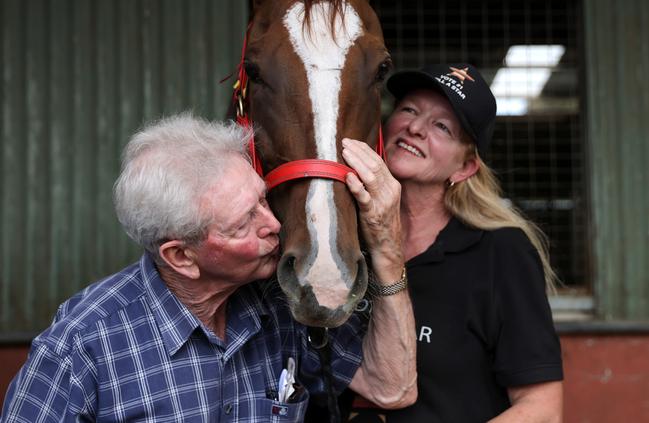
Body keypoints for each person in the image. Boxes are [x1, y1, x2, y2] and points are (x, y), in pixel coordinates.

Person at [1, 113, 416, 422]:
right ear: (182, 257)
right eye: (243, 224)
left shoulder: (279, 303)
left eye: (261, 200)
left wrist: (386, 246)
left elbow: (391, 387)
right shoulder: (81, 349)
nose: (273, 225)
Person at [342, 64, 564, 422]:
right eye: (409, 110)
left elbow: (542, 410)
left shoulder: (500, 252)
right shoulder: (342, 239)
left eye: (441, 126)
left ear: (465, 168)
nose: (414, 128)